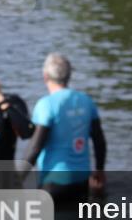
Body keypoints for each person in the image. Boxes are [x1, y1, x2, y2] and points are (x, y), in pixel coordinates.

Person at [22, 53, 106, 203]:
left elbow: (35, 147)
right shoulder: (86, 101)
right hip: (82, 182)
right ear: (69, 75)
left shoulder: (46, 105)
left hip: (53, 182)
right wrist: (99, 171)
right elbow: (99, 141)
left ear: (45, 76)